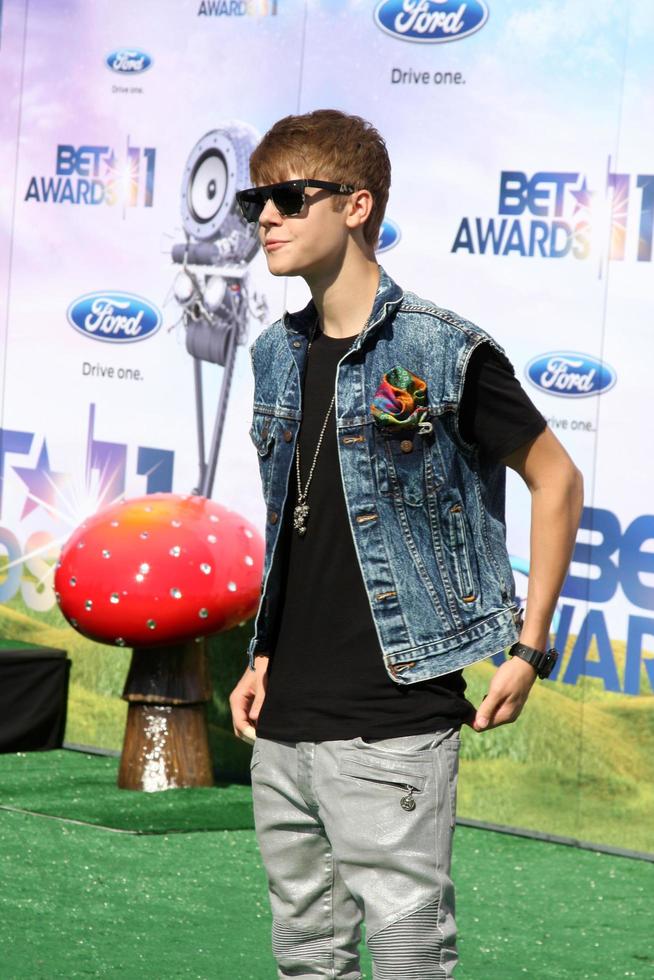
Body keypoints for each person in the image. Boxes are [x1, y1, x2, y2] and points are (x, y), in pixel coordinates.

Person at [229, 109, 583, 979]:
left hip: (394, 718)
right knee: (307, 955)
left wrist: (528, 648)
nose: (264, 218)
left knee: (406, 950)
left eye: (285, 197)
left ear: (356, 206)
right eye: (254, 201)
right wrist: (261, 655)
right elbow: (294, 523)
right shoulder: (275, 352)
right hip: (282, 722)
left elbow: (558, 481)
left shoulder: (441, 350)